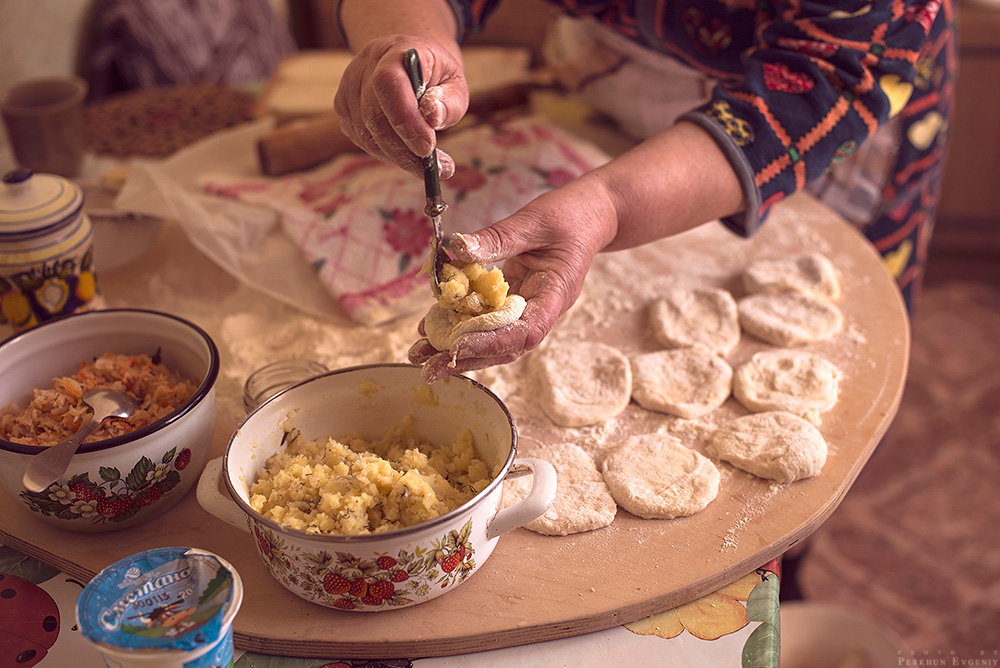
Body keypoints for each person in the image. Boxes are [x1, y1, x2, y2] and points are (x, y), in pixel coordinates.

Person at [332, 0, 956, 383]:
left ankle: (790, 574)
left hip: (816, 104)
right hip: (613, 60)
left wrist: (608, 205)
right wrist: (408, 38)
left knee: (819, 356)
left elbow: (822, 75)